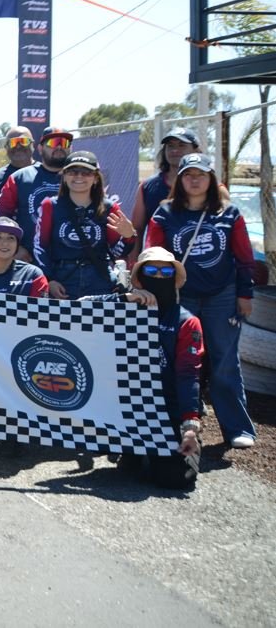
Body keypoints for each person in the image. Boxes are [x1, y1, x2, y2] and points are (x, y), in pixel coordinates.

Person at [146, 153, 258, 449]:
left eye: (201, 174)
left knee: (224, 362)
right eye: (188, 175)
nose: (194, 180)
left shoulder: (229, 213)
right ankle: (174, 423)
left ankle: (236, 428)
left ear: (211, 180)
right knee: (178, 361)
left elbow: (245, 258)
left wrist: (245, 294)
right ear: (180, 180)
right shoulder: (164, 214)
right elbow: (151, 257)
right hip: (180, 297)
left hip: (223, 296)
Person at [85, 247, 205, 489]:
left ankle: (147, 452)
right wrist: (122, 299)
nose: (159, 276)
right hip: (121, 405)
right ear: (139, 277)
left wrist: (190, 425)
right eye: (152, 270)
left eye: (166, 271)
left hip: (165, 409)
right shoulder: (122, 309)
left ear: (174, 277)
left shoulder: (187, 322)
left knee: (176, 479)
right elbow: (75, 310)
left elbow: (188, 375)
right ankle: (130, 449)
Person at [32, 151, 135, 299]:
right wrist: (49, 280)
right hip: (62, 280)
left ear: (95, 178)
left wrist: (129, 237)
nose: (79, 176)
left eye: (86, 172)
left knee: (100, 322)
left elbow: (117, 252)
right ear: (65, 177)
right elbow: (40, 247)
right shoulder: (50, 205)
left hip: (99, 280)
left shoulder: (109, 208)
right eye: (73, 172)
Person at [0, 126, 74, 259]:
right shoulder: (20, 177)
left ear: (71, 148)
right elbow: (1, 216)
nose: (59, 147)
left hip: (70, 259)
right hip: (29, 259)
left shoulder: (81, 177)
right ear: (40, 148)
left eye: (64, 142)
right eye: (53, 143)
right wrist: (16, 248)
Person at [130, 128, 202, 241]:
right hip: (159, 257)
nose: (174, 150)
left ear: (195, 150)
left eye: (181, 145)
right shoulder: (146, 187)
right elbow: (137, 229)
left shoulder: (213, 187)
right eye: (170, 146)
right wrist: (134, 259)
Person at [0, 126, 35, 226]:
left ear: (33, 144)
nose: (18, 146)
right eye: (13, 143)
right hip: (7, 240)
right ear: (6, 148)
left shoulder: (45, 173)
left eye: (23, 141)